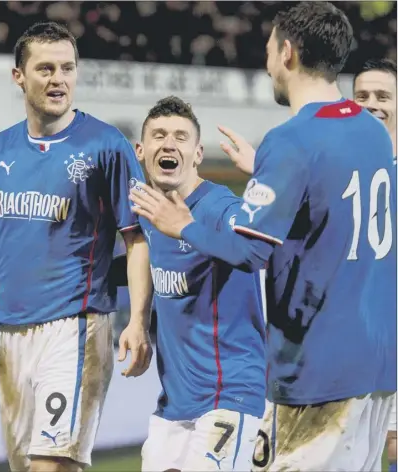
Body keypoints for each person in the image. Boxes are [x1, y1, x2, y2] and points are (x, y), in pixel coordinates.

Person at [130, 2, 397, 470]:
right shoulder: (371, 130)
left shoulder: (292, 139)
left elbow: (248, 250)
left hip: (319, 369)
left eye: (270, 47)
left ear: (288, 52)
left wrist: (182, 226)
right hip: (378, 367)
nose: (268, 59)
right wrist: (270, 175)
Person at [0, 22, 153, 472]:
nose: (59, 79)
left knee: (50, 466)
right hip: (11, 335)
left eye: (68, 68)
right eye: (46, 69)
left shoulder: (106, 146)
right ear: (19, 76)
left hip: (76, 327)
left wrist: (135, 320)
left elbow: (136, 239)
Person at [134, 96, 266, 472]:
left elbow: (253, 249)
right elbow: (139, 262)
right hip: (175, 403)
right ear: (142, 151)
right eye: (158, 135)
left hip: (231, 394)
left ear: (197, 153)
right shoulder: (149, 212)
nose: (169, 143)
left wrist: (185, 228)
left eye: (180, 136)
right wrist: (137, 321)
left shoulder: (219, 207)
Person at [354, 57, 397, 472]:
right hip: (356, 342)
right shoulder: (341, 169)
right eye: (362, 96)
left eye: (383, 96)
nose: (372, 104)